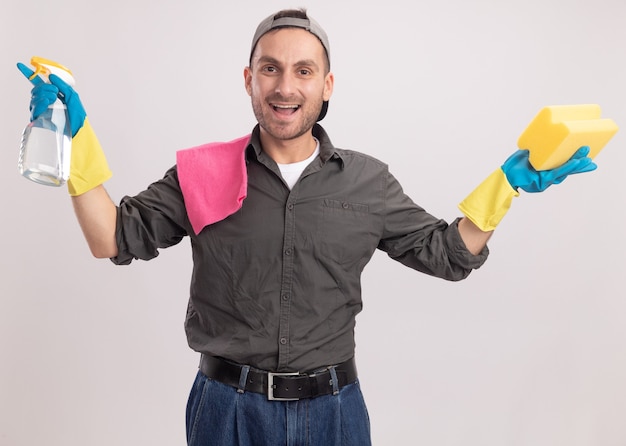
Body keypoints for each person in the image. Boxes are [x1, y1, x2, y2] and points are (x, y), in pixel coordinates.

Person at [17, 8, 597, 446]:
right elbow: (112, 238)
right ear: (249, 79)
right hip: (226, 411)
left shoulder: (367, 182)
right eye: (270, 69)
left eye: (303, 71)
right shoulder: (203, 171)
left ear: (327, 84)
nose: (285, 87)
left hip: (334, 413)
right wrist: (74, 144)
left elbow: (446, 255)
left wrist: (508, 185)